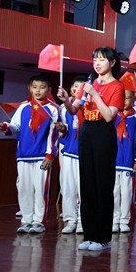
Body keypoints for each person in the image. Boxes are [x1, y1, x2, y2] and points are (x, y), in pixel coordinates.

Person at [57, 47, 125, 252]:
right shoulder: (89, 83)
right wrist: (66, 100)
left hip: (103, 132)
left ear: (112, 63)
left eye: (102, 59)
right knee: (87, 184)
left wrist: (94, 94)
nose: (97, 63)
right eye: (95, 59)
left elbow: (109, 116)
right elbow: (73, 109)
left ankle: (103, 237)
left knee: (103, 185)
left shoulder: (117, 86)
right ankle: (89, 234)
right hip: (86, 131)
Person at [0, 74, 59, 234]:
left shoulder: (53, 109)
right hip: (23, 155)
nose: (38, 91)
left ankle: (38, 222)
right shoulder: (23, 107)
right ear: (29, 88)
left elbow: (54, 134)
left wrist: (50, 155)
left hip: (41, 156)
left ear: (49, 90)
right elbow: (15, 127)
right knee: (24, 189)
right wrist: (5, 127)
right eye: (34, 87)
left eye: (42, 87)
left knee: (40, 190)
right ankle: (26, 220)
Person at [55, 75, 86, 234]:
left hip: (84, 153)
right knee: (68, 187)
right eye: (76, 86)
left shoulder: (89, 106)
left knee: (83, 188)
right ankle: (70, 219)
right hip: (68, 152)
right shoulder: (63, 108)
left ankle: (82, 220)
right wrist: (62, 128)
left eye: (82, 87)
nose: (78, 89)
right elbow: (63, 129)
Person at [112, 89, 136, 233]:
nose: (125, 101)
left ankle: (124, 220)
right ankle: (114, 219)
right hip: (113, 160)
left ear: (133, 100)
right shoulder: (112, 116)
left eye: (128, 98)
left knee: (126, 192)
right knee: (114, 191)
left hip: (128, 161)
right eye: (122, 98)